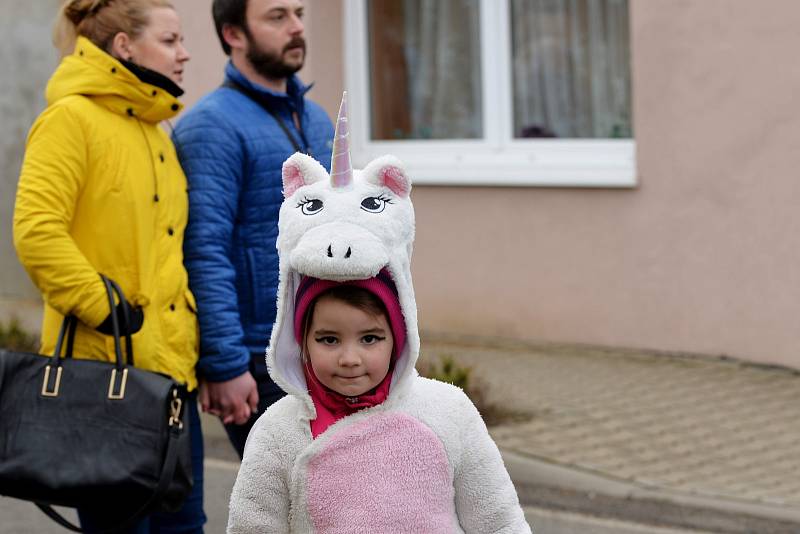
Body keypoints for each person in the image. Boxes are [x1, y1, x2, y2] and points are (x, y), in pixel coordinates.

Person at [226, 95, 531, 533]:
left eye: (370, 338)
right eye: (328, 339)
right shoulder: (278, 433)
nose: (350, 357)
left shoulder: (448, 412)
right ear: (299, 339)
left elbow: (499, 520)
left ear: (399, 333)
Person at [13, 0, 205, 531]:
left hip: (171, 386)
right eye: (169, 41)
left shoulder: (157, 133)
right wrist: (104, 307)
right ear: (124, 47)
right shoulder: (70, 120)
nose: (184, 54)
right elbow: (36, 230)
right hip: (105, 384)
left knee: (185, 528)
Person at [172, 0, 334, 458]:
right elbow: (204, 251)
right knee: (287, 506)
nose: (297, 27)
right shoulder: (211, 127)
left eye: (299, 13)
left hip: (324, 344)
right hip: (261, 358)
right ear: (234, 35)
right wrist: (224, 363)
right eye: (277, 17)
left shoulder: (317, 119)